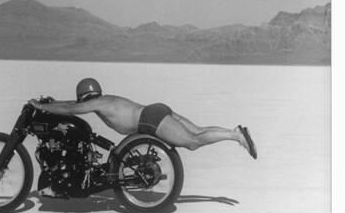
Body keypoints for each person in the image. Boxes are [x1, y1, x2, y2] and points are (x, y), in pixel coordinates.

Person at [28, 77, 257, 159]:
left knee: (192, 142)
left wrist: (41, 106)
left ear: (84, 96)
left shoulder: (96, 103)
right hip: (155, 110)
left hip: (148, 119)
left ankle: (235, 135)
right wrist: (52, 103)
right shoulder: (104, 99)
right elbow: (70, 105)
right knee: (197, 130)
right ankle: (233, 131)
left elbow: (71, 110)